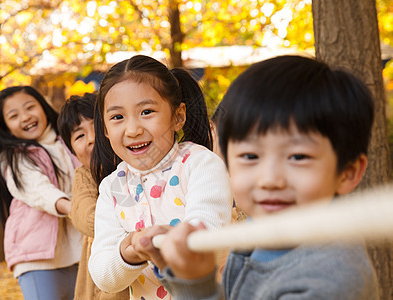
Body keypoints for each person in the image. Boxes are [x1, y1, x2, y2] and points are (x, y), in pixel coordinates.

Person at [158, 55, 379, 299]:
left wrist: (198, 287)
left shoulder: (331, 280)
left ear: (347, 173)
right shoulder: (263, 224)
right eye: (251, 156)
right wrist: (179, 268)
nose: (269, 180)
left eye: (298, 157)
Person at [88, 55, 233, 299]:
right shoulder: (113, 188)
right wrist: (128, 252)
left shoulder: (200, 164)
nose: (133, 129)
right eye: (117, 117)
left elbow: (209, 235)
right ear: (105, 129)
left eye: (146, 111)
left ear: (178, 116)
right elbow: (103, 276)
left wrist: (161, 242)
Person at [0, 86, 82, 300]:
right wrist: (75, 208)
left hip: (82, 254)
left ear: (43, 106)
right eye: (13, 116)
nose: (25, 117)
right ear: (7, 127)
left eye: (30, 107)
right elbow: (38, 190)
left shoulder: (72, 141)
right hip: (38, 259)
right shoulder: (14, 158)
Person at [57, 92, 129, 300]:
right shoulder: (85, 175)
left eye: (97, 128)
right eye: (79, 136)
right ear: (73, 151)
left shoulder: (135, 168)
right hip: (106, 290)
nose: (91, 139)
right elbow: (88, 218)